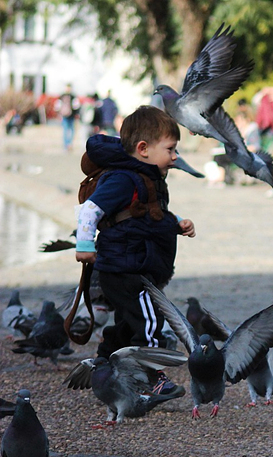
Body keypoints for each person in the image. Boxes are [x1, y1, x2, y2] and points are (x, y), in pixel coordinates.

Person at [75, 105, 195, 394]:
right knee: (151, 317)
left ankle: (102, 365)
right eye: (170, 149)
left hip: (131, 264)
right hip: (126, 267)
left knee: (129, 324)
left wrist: (177, 222)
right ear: (143, 149)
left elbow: (146, 213)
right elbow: (90, 209)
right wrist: (83, 245)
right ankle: (151, 376)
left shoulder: (144, 176)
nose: (175, 157)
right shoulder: (122, 178)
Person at [255, 87, 273, 154]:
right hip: (264, 125)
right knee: (264, 140)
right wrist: (262, 93)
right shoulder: (262, 100)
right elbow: (254, 101)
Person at [57, 84, 80, 151]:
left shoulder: (62, 96)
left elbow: (57, 106)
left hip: (64, 115)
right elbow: (76, 106)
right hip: (71, 115)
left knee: (65, 130)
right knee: (71, 130)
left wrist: (59, 113)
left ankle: (66, 144)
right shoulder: (73, 96)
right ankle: (69, 144)